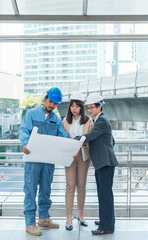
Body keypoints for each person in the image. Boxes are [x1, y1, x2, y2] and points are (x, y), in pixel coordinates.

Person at [19, 87, 68, 236]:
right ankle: (30, 223)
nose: (52, 106)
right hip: (33, 158)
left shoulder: (56, 119)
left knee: (46, 188)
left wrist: (71, 148)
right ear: (45, 98)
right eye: (51, 102)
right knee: (30, 189)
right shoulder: (31, 114)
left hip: (48, 160)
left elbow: (62, 136)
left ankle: (44, 218)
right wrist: (25, 143)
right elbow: (23, 130)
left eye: (55, 104)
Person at [75, 93, 118, 235]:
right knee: (104, 194)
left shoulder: (101, 121)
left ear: (100, 106)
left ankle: (106, 227)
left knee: (105, 195)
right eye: (88, 108)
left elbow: (91, 135)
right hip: (103, 162)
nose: (89, 110)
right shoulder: (101, 119)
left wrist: (78, 138)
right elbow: (111, 140)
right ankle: (107, 220)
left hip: (104, 162)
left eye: (92, 107)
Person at [62, 92, 93, 231]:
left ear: (82, 107)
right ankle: (69, 218)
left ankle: (80, 215)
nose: (74, 109)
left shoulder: (88, 121)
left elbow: (91, 138)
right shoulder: (65, 121)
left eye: (77, 106)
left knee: (82, 186)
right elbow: (62, 140)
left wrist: (82, 144)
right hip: (69, 156)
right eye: (72, 106)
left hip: (83, 156)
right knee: (70, 186)